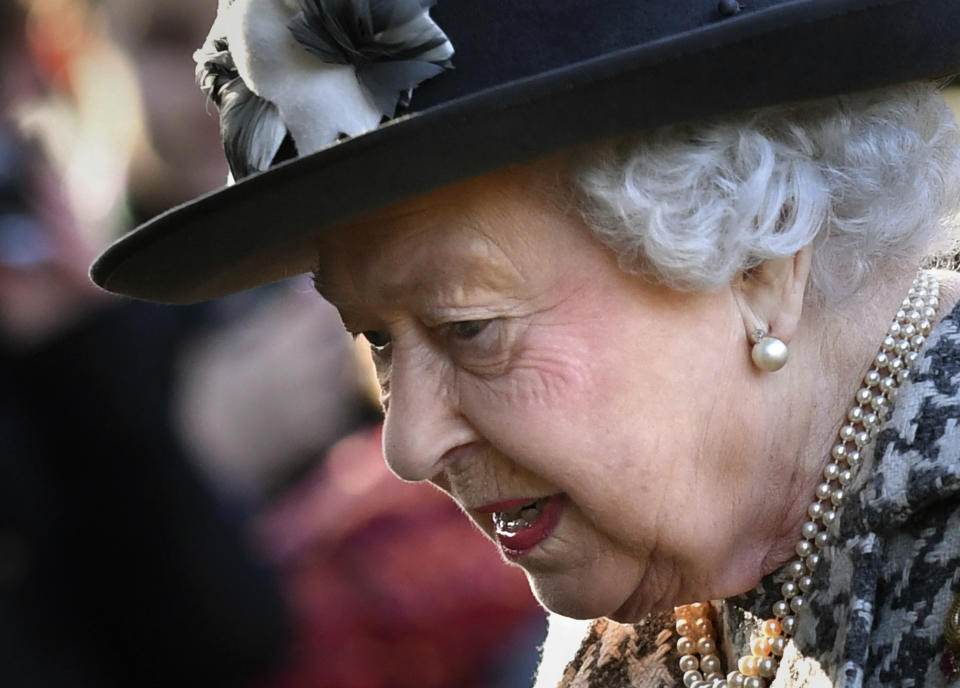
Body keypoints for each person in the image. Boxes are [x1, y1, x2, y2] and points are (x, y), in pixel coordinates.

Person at [90, 0, 960, 686]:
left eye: (470, 327)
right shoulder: (633, 615)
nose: (409, 445)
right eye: (377, 341)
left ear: (761, 251)